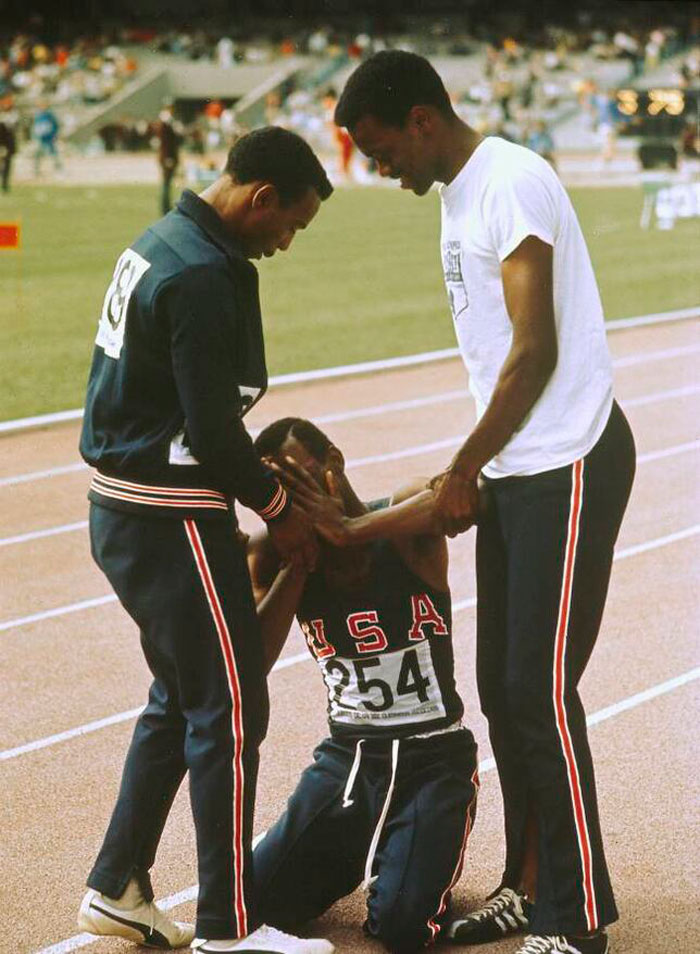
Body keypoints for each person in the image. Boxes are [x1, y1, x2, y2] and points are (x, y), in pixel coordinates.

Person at [334, 51, 636, 954]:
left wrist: (461, 467)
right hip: (514, 467)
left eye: (386, 153)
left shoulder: (510, 181)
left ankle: (578, 921)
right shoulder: (459, 195)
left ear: (423, 119)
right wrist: (478, 467)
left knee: (538, 693)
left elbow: (534, 349)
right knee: (506, 697)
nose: (388, 175)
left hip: (569, 458)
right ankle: (528, 884)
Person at [77, 127, 335, 954]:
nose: (288, 244)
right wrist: (280, 509)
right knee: (229, 708)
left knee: (179, 698)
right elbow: (214, 430)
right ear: (261, 198)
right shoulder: (198, 275)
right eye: (290, 224)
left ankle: (118, 884)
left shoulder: (167, 239)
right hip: (169, 513)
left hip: (127, 507)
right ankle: (232, 932)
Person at [247, 417, 479, 954]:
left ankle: (409, 856)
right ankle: (342, 855)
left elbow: (458, 497)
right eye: (281, 495)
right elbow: (250, 662)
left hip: (433, 757)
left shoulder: (400, 524)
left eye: (306, 478)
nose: (298, 500)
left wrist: (349, 530)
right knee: (250, 901)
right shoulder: (271, 554)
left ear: (334, 459)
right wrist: (300, 564)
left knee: (401, 928)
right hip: (348, 759)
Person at [156, 105, 182, 215]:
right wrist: (168, 158)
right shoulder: (165, 124)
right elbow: (166, 144)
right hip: (168, 158)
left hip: (168, 157)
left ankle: (166, 206)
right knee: (166, 184)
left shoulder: (167, 124)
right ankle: (165, 207)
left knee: (167, 184)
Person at [32, 101, 62, 175]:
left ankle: (58, 167)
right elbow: (36, 126)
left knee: (53, 152)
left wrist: (54, 134)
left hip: (49, 136)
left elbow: (55, 125)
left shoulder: (50, 115)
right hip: (41, 137)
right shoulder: (38, 115)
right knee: (38, 153)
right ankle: (36, 169)